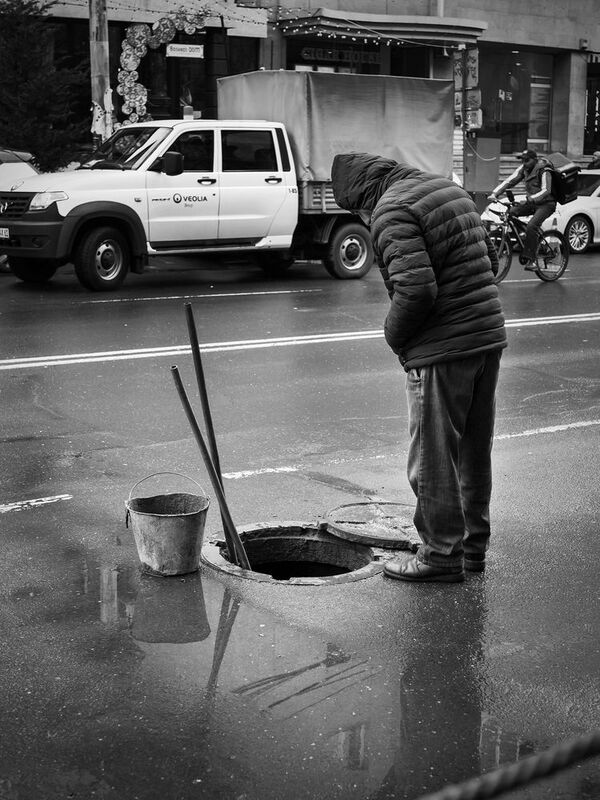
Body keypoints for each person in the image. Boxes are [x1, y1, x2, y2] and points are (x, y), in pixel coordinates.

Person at [331, 153, 507, 583]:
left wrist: (395, 338)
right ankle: (471, 550)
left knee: (433, 458)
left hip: (442, 349)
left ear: (361, 197)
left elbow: (416, 290)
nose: (362, 217)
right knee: (472, 450)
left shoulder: (392, 210)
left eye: (357, 210)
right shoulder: (446, 188)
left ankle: (440, 555)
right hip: (485, 335)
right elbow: (485, 256)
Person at [488, 149, 555, 270]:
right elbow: (510, 181)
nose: (524, 163)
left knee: (532, 226)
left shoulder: (544, 170)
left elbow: (546, 191)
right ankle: (525, 239)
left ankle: (533, 260)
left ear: (535, 160)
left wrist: (530, 200)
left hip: (546, 204)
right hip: (532, 202)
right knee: (511, 212)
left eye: (527, 160)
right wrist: (495, 193)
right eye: (523, 160)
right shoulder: (524, 169)